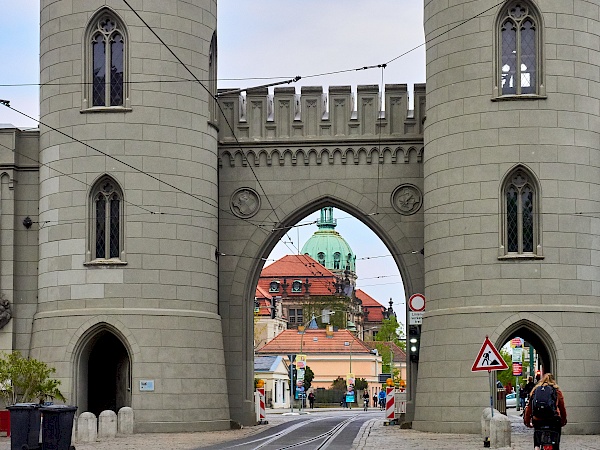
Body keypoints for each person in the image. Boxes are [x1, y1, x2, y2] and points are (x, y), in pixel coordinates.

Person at [523, 373, 567, 450]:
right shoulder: (557, 392)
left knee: (537, 433)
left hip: (538, 419)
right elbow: (562, 408)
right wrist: (563, 420)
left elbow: (529, 408)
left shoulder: (535, 391)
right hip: (553, 420)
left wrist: (527, 421)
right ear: (553, 381)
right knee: (555, 439)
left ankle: (537, 447)